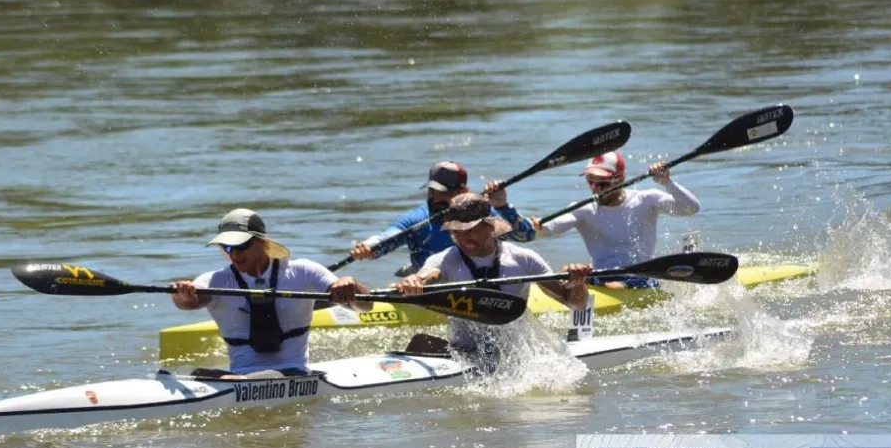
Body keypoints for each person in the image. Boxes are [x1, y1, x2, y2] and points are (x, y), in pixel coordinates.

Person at [172, 208, 371, 378]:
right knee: (192, 373)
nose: (233, 254)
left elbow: (365, 305)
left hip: (293, 373)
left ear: (263, 242)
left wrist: (350, 285)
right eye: (227, 247)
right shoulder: (215, 280)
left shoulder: (304, 271)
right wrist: (182, 295)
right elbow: (188, 303)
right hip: (239, 376)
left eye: (241, 246)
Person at [394, 193, 592, 356]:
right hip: (464, 352)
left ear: (489, 226)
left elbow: (576, 304)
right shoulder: (445, 260)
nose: (463, 238)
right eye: (456, 232)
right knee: (420, 342)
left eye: (469, 230)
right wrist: (415, 281)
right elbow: (428, 274)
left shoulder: (523, 259)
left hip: (514, 354)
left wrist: (577, 284)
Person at [517, 151, 700, 289]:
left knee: (614, 285)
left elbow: (691, 208)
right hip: (601, 277)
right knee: (567, 270)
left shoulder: (646, 200)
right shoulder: (584, 209)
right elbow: (548, 228)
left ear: (620, 179)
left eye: (602, 183)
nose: (596, 188)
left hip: (640, 278)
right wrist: (534, 225)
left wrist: (667, 182)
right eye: (591, 182)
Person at [349, 160, 537, 275]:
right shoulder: (416, 219)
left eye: (444, 193)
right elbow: (388, 236)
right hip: (429, 284)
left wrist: (502, 206)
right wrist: (368, 247)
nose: (436, 199)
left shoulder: (483, 214)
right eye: (432, 192)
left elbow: (526, 236)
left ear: (463, 191)